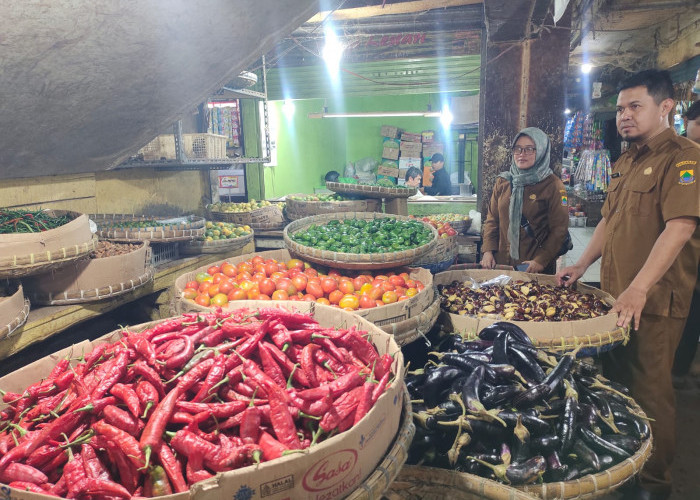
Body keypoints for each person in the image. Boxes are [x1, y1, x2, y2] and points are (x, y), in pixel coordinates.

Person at [556, 69, 700, 500]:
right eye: (620, 108)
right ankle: (624, 464)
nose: (625, 116)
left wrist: (639, 288)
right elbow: (608, 221)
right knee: (616, 383)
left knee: (650, 391)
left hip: (653, 300)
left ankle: (654, 485)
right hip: (616, 298)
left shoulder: (685, 157)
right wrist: (581, 264)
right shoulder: (624, 162)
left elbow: (680, 227)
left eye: (635, 106)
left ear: (666, 107)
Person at [480, 127, 569, 274]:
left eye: (529, 149)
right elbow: (492, 220)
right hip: (501, 265)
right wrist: (488, 251)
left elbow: (559, 230)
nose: (522, 154)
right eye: (518, 149)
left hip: (533, 267)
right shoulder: (503, 182)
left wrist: (541, 260)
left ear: (541, 151)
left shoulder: (554, 186)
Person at [673, 100, 700, 381]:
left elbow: (681, 225)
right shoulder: (682, 158)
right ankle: (679, 367)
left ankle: (680, 367)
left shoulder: (688, 159)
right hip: (683, 255)